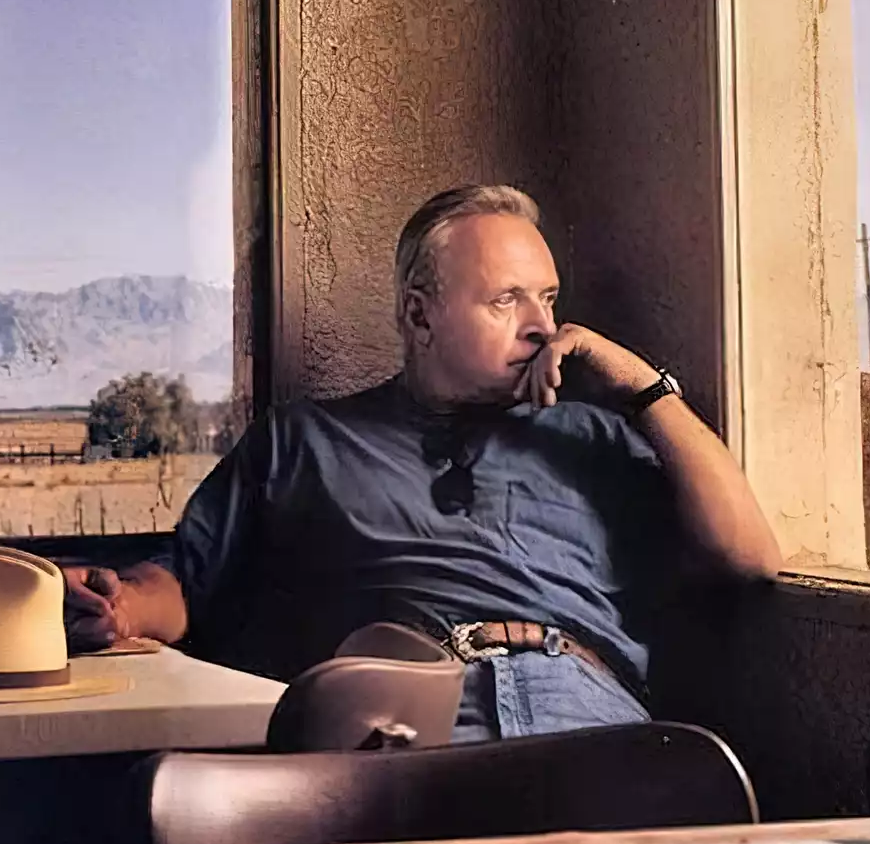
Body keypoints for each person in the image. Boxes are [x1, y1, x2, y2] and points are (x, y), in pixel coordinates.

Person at [63, 184, 781, 741]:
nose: (542, 325)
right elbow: (183, 583)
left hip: (581, 707)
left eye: (547, 298)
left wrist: (640, 385)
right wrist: (118, 607)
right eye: (506, 300)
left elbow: (749, 559)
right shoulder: (305, 440)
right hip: (396, 715)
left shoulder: (590, 436)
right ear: (419, 316)